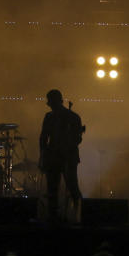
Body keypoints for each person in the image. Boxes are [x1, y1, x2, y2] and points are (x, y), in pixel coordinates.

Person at [39, 89, 84, 222]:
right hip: (57, 157)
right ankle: (57, 216)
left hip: (66, 157)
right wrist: (43, 155)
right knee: (55, 189)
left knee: (71, 187)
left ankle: (78, 215)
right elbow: (43, 138)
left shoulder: (71, 117)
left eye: (51, 102)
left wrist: (43, 155)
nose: (49, 104)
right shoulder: (70, 116)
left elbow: (77, 139)